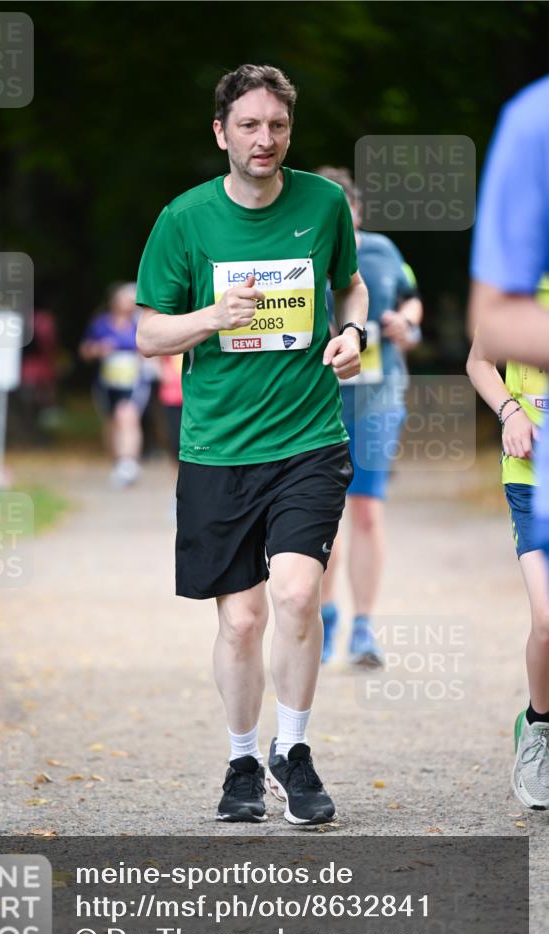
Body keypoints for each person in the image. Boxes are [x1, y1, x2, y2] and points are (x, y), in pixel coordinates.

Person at [136, 64, 368, 824]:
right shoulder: (184, 219)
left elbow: (351, 284)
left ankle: (293, 751)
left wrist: (352, 332)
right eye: (248, 125)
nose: (263, 139)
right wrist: (212, 316)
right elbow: (146, 333)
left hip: (307, 437)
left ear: (288, 132)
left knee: (298, 595)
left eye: (276, 125)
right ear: (220, 133)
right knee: (240, 620)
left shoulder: (324, 202)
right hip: (218, 450)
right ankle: (242, 760)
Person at [467, 74, 549, 810]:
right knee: (547, 618)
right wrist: (507, 411)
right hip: (533, 466)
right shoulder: (523, 259)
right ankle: (539, 727)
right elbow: (479, 351)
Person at [315, 167, 422, 667]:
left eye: (344, 207)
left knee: (366, 510)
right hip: (319, 401)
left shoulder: (381, 251)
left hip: (379, 397)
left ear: (355, 211)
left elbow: (411, 299)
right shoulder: (297, 253)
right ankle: (323, 617)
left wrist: (407, 323)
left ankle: (362, 627)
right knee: (321, 516)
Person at [80, 282, 149, 487]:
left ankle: (129, 464)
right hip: (107, 382)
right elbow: (85, 350)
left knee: (127, 417)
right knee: (111, 423)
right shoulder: (101, 324)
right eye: (124, 298)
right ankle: (118, 462)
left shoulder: (140, 323)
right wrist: (97, 350)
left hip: (134, 381)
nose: (127, 302)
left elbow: (152, 348)